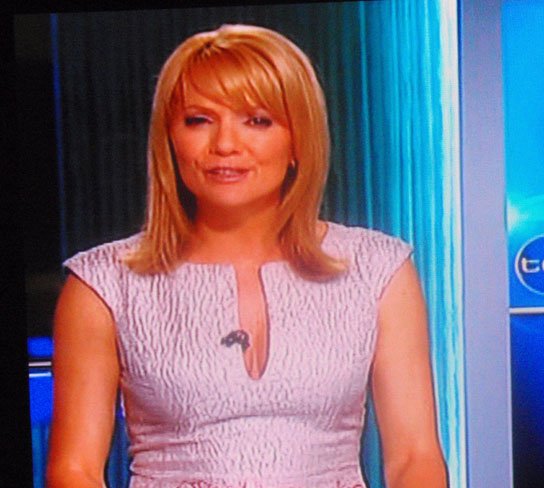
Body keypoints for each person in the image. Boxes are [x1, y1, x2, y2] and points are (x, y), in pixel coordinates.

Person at [46, 24, 447, 488]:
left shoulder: (378, 270)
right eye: (199, 120)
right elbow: (74, 470)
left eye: (257, 120)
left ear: (299, 139)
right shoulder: (103, 285)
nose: (225, 145)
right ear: (169, 139)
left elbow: (414, 457)